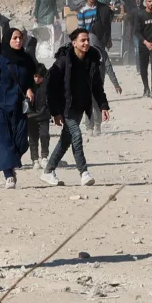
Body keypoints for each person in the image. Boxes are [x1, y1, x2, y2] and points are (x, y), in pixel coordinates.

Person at [40, 29, 109, 186]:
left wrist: (103, 106)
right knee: (76, 135)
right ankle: (84, 172)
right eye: (82, 40)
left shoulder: (91, 61)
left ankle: (48, 171)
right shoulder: (64, 62)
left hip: (80, 106)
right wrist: (55, 112)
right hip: (65, 107)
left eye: (87, 40)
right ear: (74, 43)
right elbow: (50, 88)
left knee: (66, 140)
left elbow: (97, 86)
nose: (86, 43)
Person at [0, 28, 36, 189]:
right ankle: (9, 175)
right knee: (4, 141)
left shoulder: (27, 60)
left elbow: (34, 78)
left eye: (20, 38)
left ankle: (9, 162)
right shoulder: (0, 61)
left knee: (21, 143)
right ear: (8, 41)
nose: (18, 41)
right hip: (0, 108)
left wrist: (30, 88)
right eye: (15, 38)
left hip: (20, 108)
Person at [28, 62, 51, 169]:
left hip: (44, 116)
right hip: (31, 116)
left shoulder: (47, 86)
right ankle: (35, 159)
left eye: (39, 77)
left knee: (44, 135)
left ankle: (44, 156)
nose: (37, 79)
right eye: (35, 76)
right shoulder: (28, 86)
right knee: (33, 138)